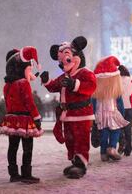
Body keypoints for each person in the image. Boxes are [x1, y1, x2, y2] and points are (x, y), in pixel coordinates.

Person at [41, 36, 96, 179]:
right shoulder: (64, 76)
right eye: (61, 62)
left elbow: (91, 87)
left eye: (66, 60)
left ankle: (81, 164)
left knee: (81, 138)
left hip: (82, 113)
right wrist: (46, 81)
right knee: (70, 139)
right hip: (68, 114)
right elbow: (54, 86)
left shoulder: (85, 73)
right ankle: (74, 161)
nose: (62, 64)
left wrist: (74, 85)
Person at [0, 47, 44, 183]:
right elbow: (29, 103)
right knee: (27, 147)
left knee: (12, 147)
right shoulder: (23, 83)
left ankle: (13, 174)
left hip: (12, 119)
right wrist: (37, 118)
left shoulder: (7, 85)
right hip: (24, 119)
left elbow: (7, 103)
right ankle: (26, 173)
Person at [92, 56, 129, 162]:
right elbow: (120, 104)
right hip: (113, 112)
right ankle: (112, 148)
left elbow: (93, 104)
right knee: (116, 131)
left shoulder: (96, 93)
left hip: (100, 114)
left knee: (104, 133)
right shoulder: (115, 92)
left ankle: (103, 153)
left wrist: (94, 114)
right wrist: (121, 113)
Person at [118, 65, 132, 156]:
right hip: (130, 107)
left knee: (118, 127)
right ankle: (128, 149)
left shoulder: (116, 82)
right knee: (128, 128)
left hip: (119, 107)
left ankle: (121, 142)